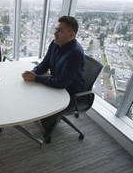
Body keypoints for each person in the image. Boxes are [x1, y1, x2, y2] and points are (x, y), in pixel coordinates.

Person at [22, 16, 85, 144]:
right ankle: (43, 115)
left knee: (39, 96)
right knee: (32, 90)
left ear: (71, 34)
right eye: (56, 29)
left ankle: (49, 123)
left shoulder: (75, 54)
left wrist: (36, 78)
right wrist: (33, 72)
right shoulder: (55, 43)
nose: (55, 33)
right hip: (57, 82)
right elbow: (45, 63)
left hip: (69, 92)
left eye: (59, 30)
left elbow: (62, 83)